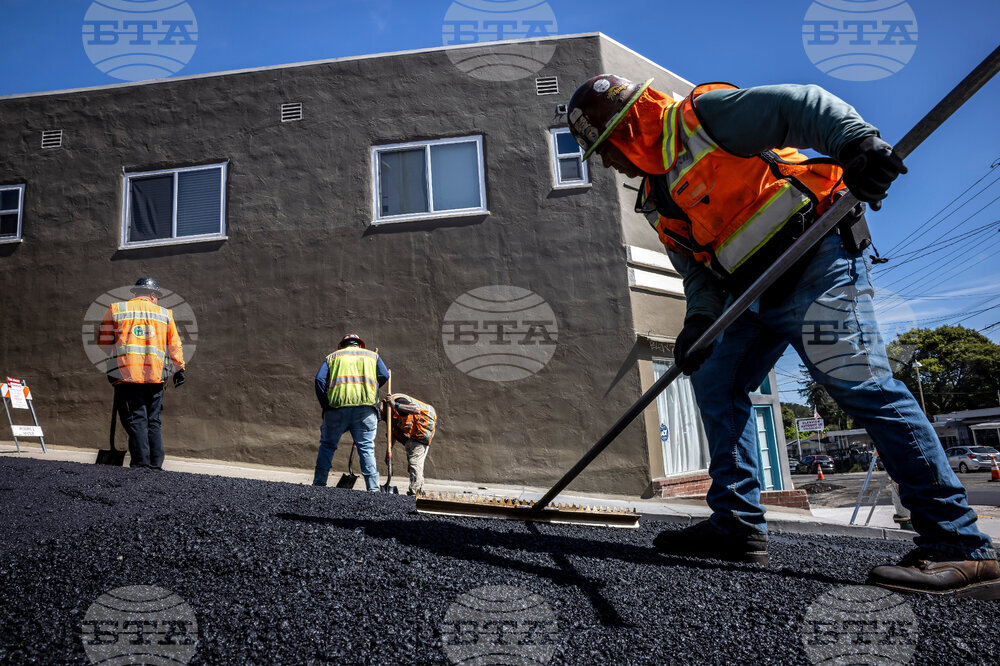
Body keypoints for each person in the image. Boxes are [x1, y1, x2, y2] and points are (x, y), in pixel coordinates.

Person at [567, 75, 998, 598]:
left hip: (817, 256)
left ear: (628, 127)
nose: (609, 163)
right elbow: (697, 271)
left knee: (858, 383)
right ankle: (737, 525)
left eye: (606, 149)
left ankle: (960, 543)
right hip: (749, 293)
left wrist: (856, 143)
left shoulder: (705, 118)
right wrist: (698, 323)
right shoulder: (657, 198)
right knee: (716, 381)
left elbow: (801, 106)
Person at [99, 277, 186, 469]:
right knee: (153, 419)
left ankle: (141, 464)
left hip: (127, 375)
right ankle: (155, 464)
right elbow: (174, 344)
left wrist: (117, 355)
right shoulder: (165, 314)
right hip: (156, 377)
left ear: (135, 293)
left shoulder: (117, 309)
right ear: (153, 295)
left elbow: (104, 342)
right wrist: (180, 369)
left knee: (136, 418)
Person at [313, 334, 389, 491]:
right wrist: (371, 387)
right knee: (366, 447)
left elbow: (319, 380)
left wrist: (325, 404)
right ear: (359, 345)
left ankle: (319, 484)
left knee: (327, 445)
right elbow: (384, 375)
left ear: (342, 345)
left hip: (336, 408)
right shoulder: (371, 356)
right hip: (365, 410)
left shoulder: (332, 357)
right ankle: (373, 489)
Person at [383, 392, 437, 496]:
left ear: (382, 407)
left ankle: (414, 493)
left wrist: (395, 404)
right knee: (414, 464)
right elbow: (393, 432)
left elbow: (415, 409)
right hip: (412, 435)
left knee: (415, 463)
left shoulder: (396, 401)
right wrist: (388, 453)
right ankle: (420, 492)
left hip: (422, 429)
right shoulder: (388, 415)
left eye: (380, 415)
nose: (380, 418)